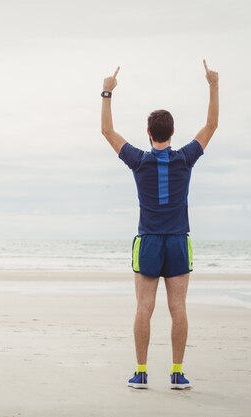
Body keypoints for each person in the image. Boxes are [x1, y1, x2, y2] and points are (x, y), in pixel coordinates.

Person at [100, 61, 219, 390]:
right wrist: (212, 84)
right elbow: (211, 125)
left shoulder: (139, 160)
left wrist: (107, 90)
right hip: (178, 241)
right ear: (172, 133)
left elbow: (107, 132)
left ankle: (141, 372)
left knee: (144, 307)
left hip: (150, 241)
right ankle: (177, 373)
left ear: (149, 133)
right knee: (178, 307)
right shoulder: (185, 158)